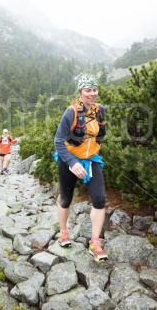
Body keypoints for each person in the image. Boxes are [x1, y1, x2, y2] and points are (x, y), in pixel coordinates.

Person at [53, 73, 108, 262]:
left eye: (94, 90)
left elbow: (99, 134)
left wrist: (91, 152)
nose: (92, 94)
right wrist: (72, 162)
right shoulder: (72, 112)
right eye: (88, 90)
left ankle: (95, 242)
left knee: (100, 199)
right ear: (80, 92)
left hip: (91, 159)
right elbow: (58, 141)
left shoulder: (100, 110)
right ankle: (63, 232)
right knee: (66, 198)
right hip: (68, 158)